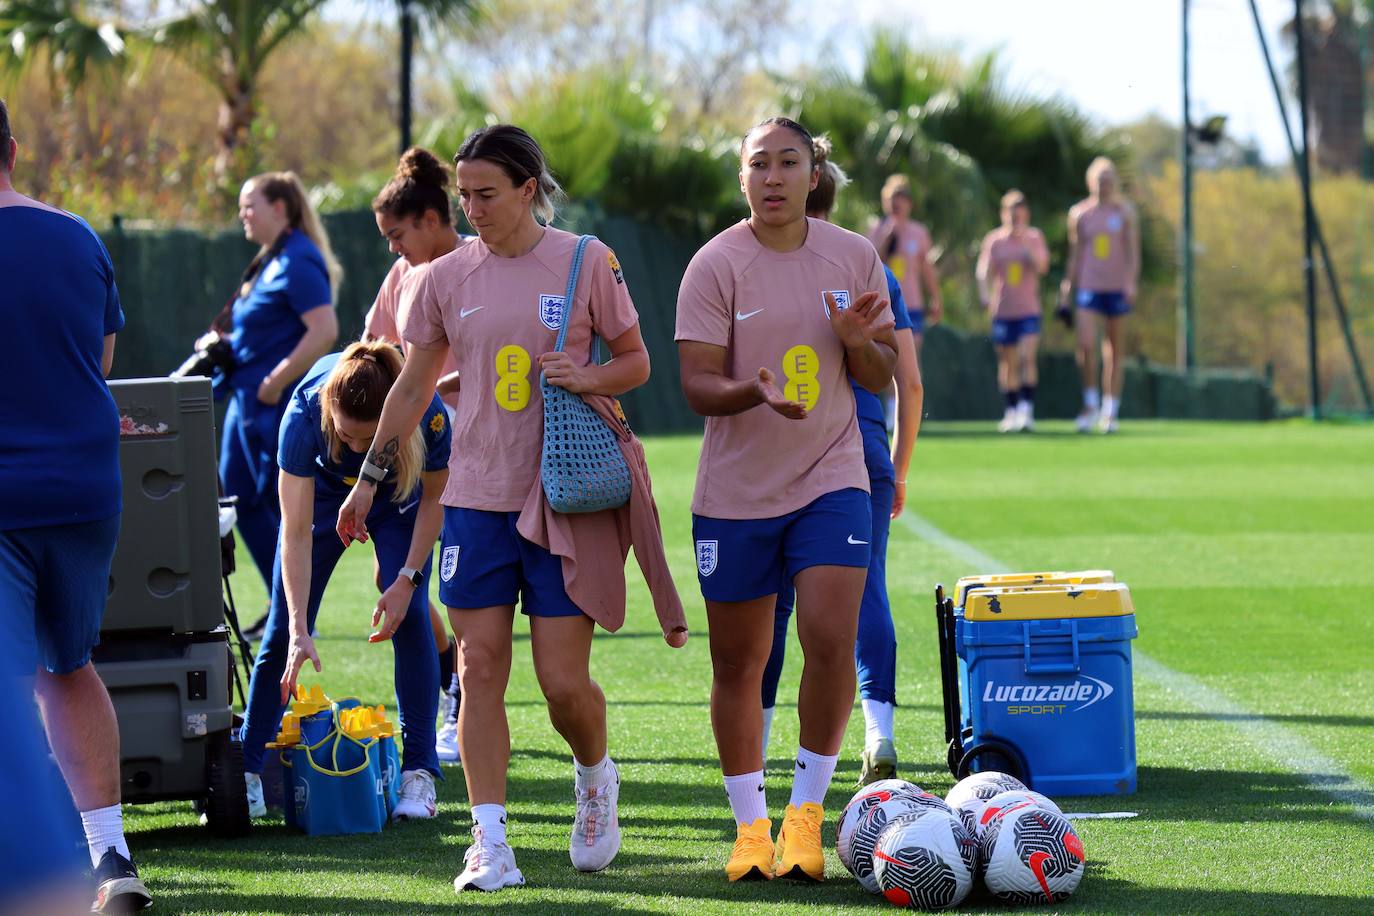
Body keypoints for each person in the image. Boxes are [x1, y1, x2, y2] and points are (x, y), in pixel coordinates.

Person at [336, 124, 682, 893]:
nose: (472, 209)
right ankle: (490, 844)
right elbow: (412, 385)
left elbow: (636, 361)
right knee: (480, 663)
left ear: (530, 189)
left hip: (567, 497)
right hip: (475, 500)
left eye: (486, 194)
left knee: (563, 683)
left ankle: (595, 776)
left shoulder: (589, 260)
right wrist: (367, 478)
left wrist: (587, 379)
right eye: (463, 195)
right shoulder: (444, 277)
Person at [676, 117, 897, 883]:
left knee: (830, 638)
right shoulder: (714, 265)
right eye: (759, 164)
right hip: (735, 495)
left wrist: (855, 340)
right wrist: (753, 392)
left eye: (788, 162)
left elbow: (879, 376)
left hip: (832, 480)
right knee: (740, 661)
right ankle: (750, 829)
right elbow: (697, 384)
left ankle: (806, 819)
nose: (773, 177)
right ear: (742, 179)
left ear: (813, 174)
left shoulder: (854, 255)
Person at [0, 98, 151, 912]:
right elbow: (98, 361)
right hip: (85, 488)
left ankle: (43, 873)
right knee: (68, 665)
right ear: (13, 151)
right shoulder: (76, 236)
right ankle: (110, 856)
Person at [758, 138, 923, 787]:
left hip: (781, 455)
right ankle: (879, 733)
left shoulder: (757, 264)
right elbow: (908, 383)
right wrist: (899, 468)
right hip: (864, 451)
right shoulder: (871, 267)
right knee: (867, 591)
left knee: (768, 604)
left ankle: (762, 745)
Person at [252, 342, 450, 821]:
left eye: (370, 440)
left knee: (411, 615)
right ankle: (248, 768)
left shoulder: (427, 415)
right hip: (323, 496)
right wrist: (301, 626)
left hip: (397, 495)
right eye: (348, 437)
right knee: (282, 630)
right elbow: (294, 535)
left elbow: (434, 502)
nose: (359, 449)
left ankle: (419, 771)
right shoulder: (302, 417)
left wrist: (405, 579)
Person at [364, 147, 470, 762]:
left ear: (432, 219)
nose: (392, 247)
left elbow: (482, 364)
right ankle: (452, 676)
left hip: (471, 446)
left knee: (454, 578)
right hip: (408, 444)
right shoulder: (403, 274)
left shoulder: (474, 266)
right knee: (396, 575)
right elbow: (376, 348)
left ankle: (460, 701)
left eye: (397, 234)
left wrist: (431, 390)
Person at [209, 171, 340, 595]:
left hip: (272, 404)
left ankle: (296, 611)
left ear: (279, 209)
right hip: (245, 401)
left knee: (279, 503)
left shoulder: (298, 257)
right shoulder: (271, 258)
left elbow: (323, 329)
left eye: (251, 205)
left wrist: (275, 380)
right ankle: (279, 604)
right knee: (239, 501)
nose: (242, 214)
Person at [1059, 157, 1139, 433]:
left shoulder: (1124, 212)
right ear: (1090, 182)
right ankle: (1090, 403)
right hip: (1089, 286)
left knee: (1114, 349)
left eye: (1108, 178)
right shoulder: (1080, 213)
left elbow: (1132, 252)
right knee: (1085, 344)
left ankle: (1110, 409)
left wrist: (1130, 283)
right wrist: (1067, 285)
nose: (1104, 184)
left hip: (1116, 287)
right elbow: (1075, 253)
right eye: (1099, 179)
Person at [978, 190, 1049, 433]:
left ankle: (1026, 410)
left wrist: (1026, 244)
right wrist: (984, 295)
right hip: (1003, 311)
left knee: (1027, 357)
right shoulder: (995, 240)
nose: (1015, 218)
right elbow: (983, 270)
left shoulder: (1034, 237)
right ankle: (1011, 411)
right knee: (1007, 361)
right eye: (1011, 213)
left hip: (1029, 310)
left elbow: (1042, 266)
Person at [868, 174, 942, 353]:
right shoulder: (875, 229)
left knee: (912, 358)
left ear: (909, 203)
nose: (897, 202)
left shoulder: (919, 232)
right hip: (883, 305)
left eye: (902, 197)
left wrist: (935, 298)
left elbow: (927, 268)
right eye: (893, 197)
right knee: (888, 360)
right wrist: (887, 237)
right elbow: (869, 264)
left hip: (912, 304)